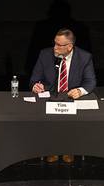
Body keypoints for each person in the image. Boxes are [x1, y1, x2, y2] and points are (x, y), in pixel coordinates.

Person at [30, 28, 97, 163]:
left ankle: (68, 148)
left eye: (58, 45)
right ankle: (51, 148)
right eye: (54, 43)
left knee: (70, 119)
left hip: (71, 97)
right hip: (49, 96)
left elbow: (91, 81)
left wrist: (80, 91)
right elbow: (34, 78)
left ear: (69, 46)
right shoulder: (45, 55)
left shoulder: (84, 57)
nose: (54, 47)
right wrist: (36, 86)